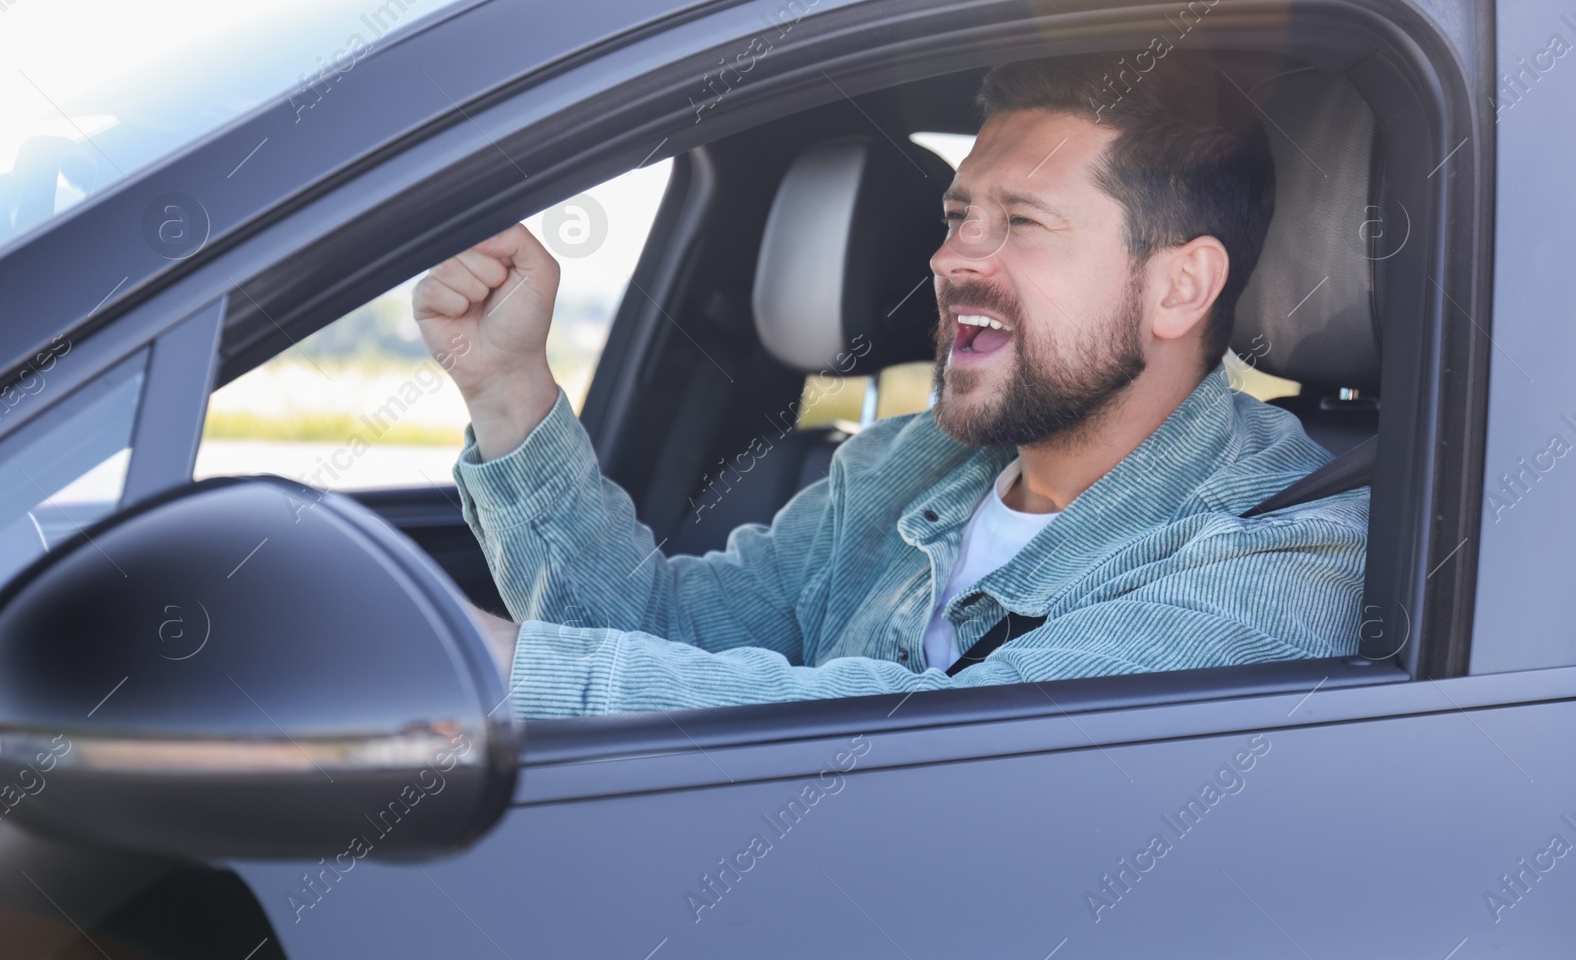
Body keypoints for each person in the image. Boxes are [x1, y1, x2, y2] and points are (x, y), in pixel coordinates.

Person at [413, 53, 1367, 718]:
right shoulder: (903, 467)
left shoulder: (1281, 545)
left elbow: (955, 750)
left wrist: (509, 670)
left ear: (1178, 287)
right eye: (958, 214)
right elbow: (657, 634)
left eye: (1023, 222)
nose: (951, 256)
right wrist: (507, 386)